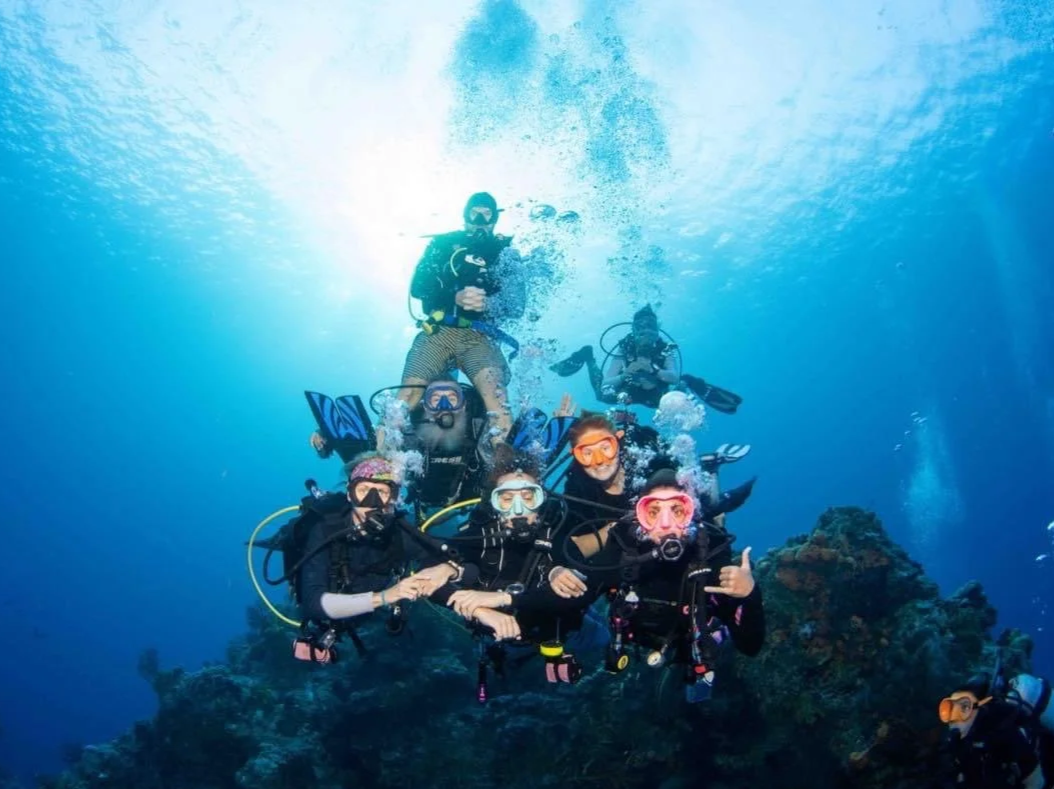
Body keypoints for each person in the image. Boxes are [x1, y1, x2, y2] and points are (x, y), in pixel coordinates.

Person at [559, 468, 764, 701]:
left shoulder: (709, 555)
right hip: (637, 640)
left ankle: (715, 499)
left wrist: (750, 594)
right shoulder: (624, 550)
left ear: (690, 514)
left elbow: (751, 646)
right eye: (654, 511)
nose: (665, 524)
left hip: (690, 644)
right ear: (640, 516)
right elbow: (574, 599)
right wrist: (555, 575)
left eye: (677, 510)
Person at [428, 445, 593, 690]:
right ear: (494, 504)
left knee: (599, 642)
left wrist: (557, 569)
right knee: (504, 674)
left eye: (528, 498)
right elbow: (426, 574)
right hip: (498, 638)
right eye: (506, 499)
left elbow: (580, 594)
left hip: (565, 634)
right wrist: (480, 611)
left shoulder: (556, 531)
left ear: (542, 499)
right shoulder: (480, 535)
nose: (518, 510)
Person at [271, 453, 464, 662]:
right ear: (349, 494)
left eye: (382, 492)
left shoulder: (400, 533)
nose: (372, 502)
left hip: (370, 610)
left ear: (393, 498)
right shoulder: (326, 531)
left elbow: (449, 556)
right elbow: (313, 604)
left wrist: (447, 570)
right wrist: (384, 597)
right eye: (363, 490)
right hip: (338, 609)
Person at [395, 192, 526, 447]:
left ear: (495, 219)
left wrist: (489, 303)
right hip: (438, 332)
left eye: (487, 214)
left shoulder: (506, 253)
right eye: (474, 212)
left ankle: (505, 470)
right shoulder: (442, 245)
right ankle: (381, 462)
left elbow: (517, 305)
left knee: (497, 402)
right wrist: (452, 296)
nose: (479, 219)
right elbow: (418, 288)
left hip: (479, 336)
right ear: (465, 216)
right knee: (407, 395)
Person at [550, 304, 743, 414]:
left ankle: (694, 383)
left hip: (655, 392)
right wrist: (626, 372)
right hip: (628, 389)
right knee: (602, 396)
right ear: (633, 330)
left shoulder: (664, 348)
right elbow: (607, 382)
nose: (645, 331)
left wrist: (653, 370)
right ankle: (587, 356)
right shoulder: (624, 347)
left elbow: (673, 377)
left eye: (650, 326)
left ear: (657, 329)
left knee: (675, 400)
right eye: (640, 327)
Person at [938, 672, 1054, 788]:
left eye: (964, 707)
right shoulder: (964, 744)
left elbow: (1036, 781)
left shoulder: (1009, 736)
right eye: (950, 709)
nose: (954, 718)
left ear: (981, 708)